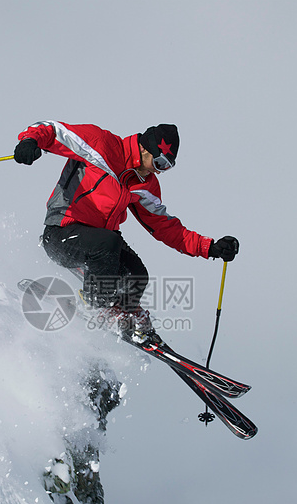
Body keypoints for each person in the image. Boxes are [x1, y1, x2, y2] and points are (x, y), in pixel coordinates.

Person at [14, 120, 239, 340]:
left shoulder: (145, 184)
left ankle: (126, 312)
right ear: (144, 148)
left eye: (167, 167)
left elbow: (165, 226)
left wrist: (210, 248)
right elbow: (53, 130)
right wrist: (30, 141)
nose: (159, 172)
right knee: (108, 243)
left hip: (99, 243)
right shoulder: (101, 144)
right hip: (61, 232)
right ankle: (97, 306)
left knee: (137, 274)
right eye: (159, 163)